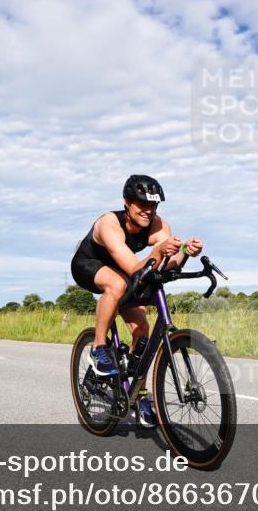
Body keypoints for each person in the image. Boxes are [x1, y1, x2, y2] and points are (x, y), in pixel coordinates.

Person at [71, 175, 203, 427]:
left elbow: (164, 265)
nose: (148, 210)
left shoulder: (158, 225)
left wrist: (185, 252)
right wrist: (156, 253)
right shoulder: (109, 224)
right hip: (88, 266)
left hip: (123, 268)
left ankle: (139, 394)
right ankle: (98, 348)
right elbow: (134, 269)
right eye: (141, 204)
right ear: (126, 203)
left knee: (142, 329)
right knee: (117, 285)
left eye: (153, 205)